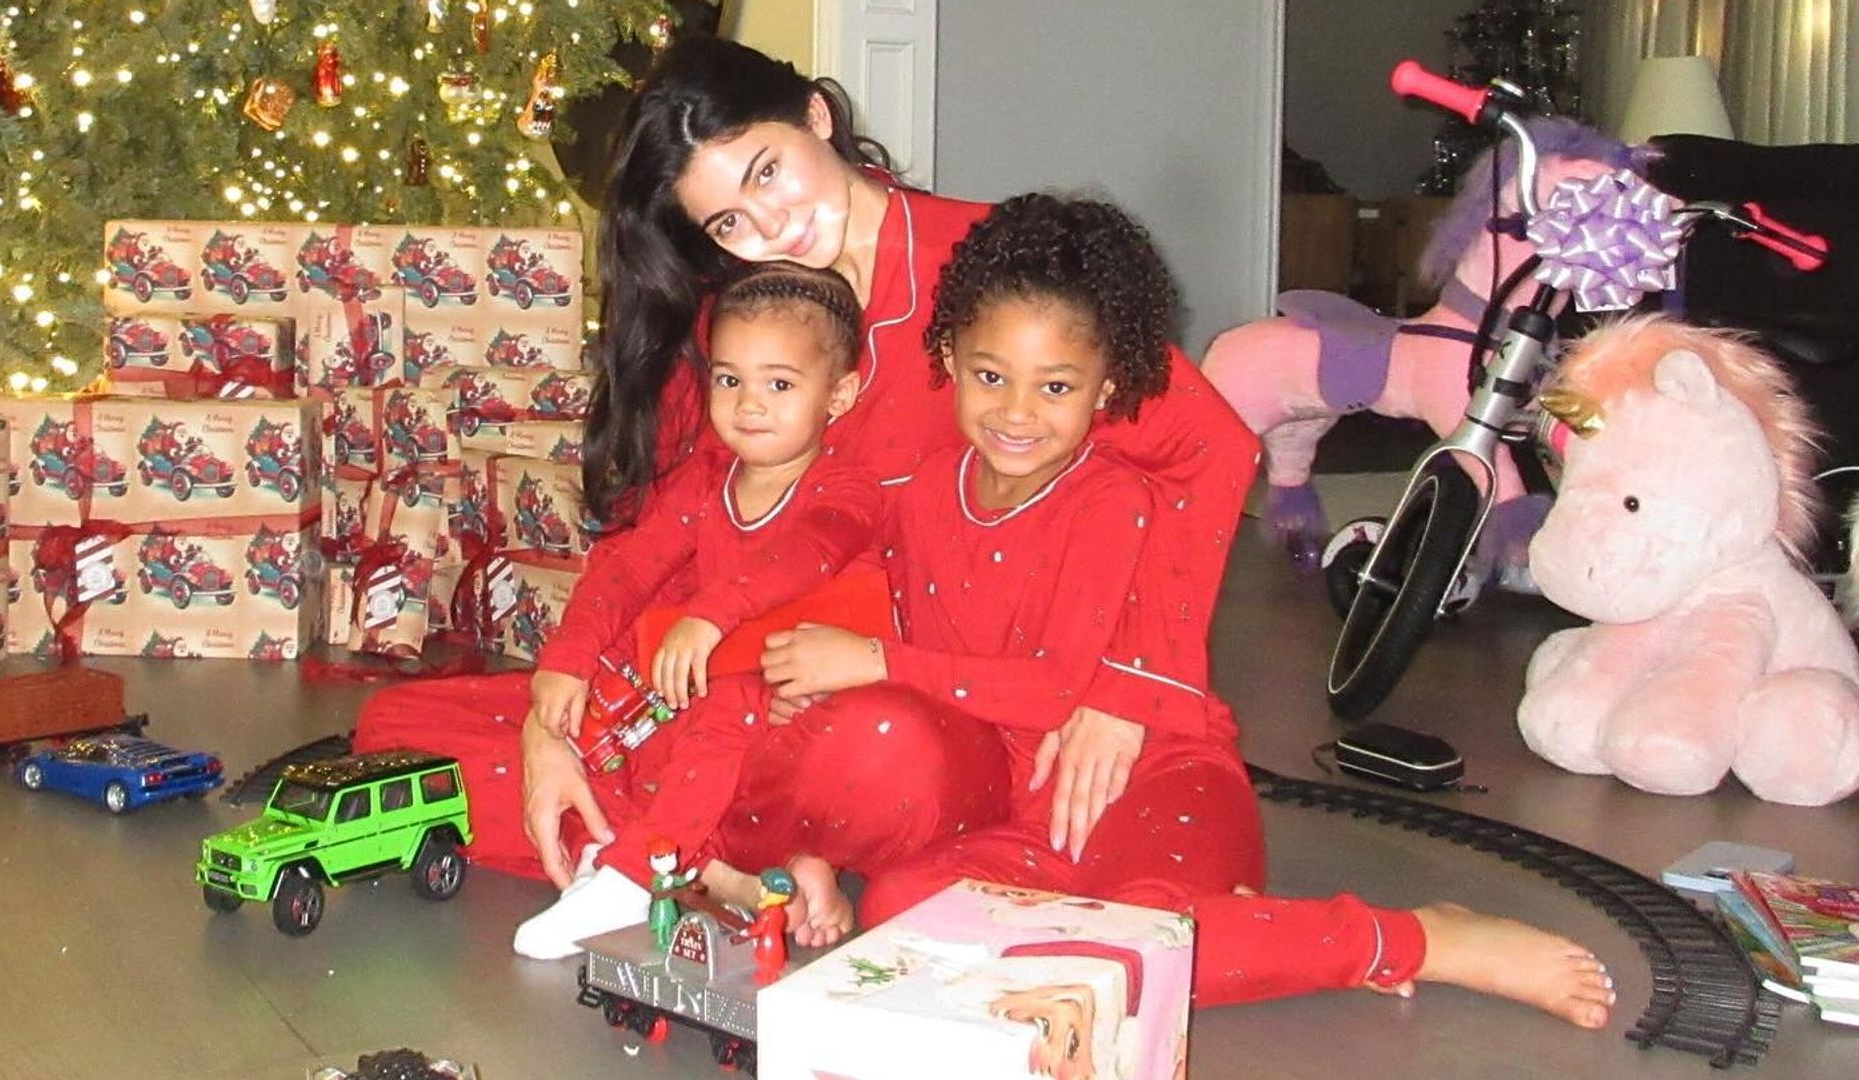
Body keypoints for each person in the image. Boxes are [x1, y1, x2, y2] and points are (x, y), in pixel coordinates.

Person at [352, 35, 1258, 952]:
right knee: (398, 734)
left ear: (816, 119)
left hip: (926, 712)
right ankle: (712, 860)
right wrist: (564, 702)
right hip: (743, 692)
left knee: (876, 751)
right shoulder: (742, 319)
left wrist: (1130, 683)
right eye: (727, 224)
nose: (768, 228)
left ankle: (670, 847)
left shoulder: (993, 274)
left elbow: (1209, 450)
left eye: (769, 172)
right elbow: (668, 530)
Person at [751, 193, 1616, 1027]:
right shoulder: (926, 495)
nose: (1016, 412)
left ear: (1109, 387)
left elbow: (1052, 688)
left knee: (1148, 944)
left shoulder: (1112, 500)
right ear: (947, 360)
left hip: (1160, 775)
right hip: (1025, 815)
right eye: (990, 376)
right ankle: (1212, 930)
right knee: (904, 904)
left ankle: (1413, 939)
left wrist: (876, 664)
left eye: (1055, 388)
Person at [492, 262, 902, 957]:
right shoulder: (707, 482)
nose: (748, 404)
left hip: (805, 704)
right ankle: (756, 874)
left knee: (718, 713)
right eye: (728, 378)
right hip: (722, 683)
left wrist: (711, 614)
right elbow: (629, 567)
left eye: (780, 383)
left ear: (839, 395)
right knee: (613, 728)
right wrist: (567, 661)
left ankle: (631, 878)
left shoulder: (848, 489)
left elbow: (807, 554)